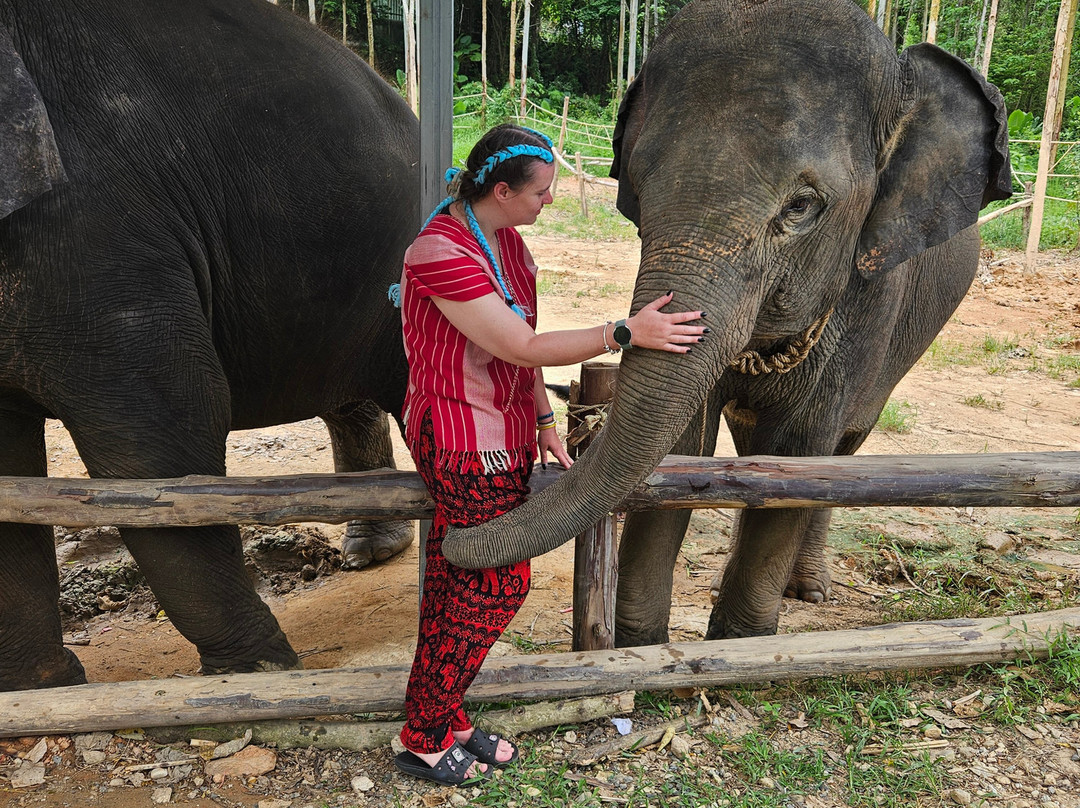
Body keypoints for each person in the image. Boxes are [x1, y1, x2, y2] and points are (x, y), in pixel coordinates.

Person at [390, 123, 707, 784]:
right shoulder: (438, 252)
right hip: (458, 439)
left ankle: (444, 719)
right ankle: (423, 730)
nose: (551, 201)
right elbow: (520, 346)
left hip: (503, 435)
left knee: (459, 586)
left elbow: (521, 341)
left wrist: (541, 418)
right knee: (496, 582)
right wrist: (625, 332)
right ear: (501, 190)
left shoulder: (509, 247)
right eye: (542, 191)